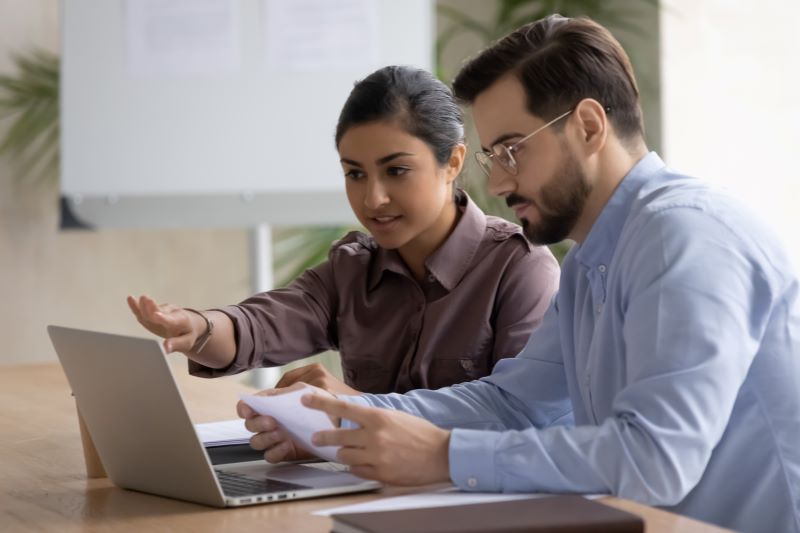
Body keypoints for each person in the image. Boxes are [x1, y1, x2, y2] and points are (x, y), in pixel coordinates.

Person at [239, 16, 800, 533]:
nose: (499, 185)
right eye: (491, 157)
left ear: (587, 126)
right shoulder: (590, 258)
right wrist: (348, 422)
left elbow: (655, 460)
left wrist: (443, 455)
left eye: (511, 151)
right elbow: (515, 403)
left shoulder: (685, 236)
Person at [128, 66, 559, 403]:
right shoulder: (351, 268)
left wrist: (356, 412)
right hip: (362, 494)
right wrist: (199, 327)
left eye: (397, 171)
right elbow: (263, 324)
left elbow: (518, 415)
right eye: (354, 173)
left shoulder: (519, 269)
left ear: (453, 162)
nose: (373, 199)